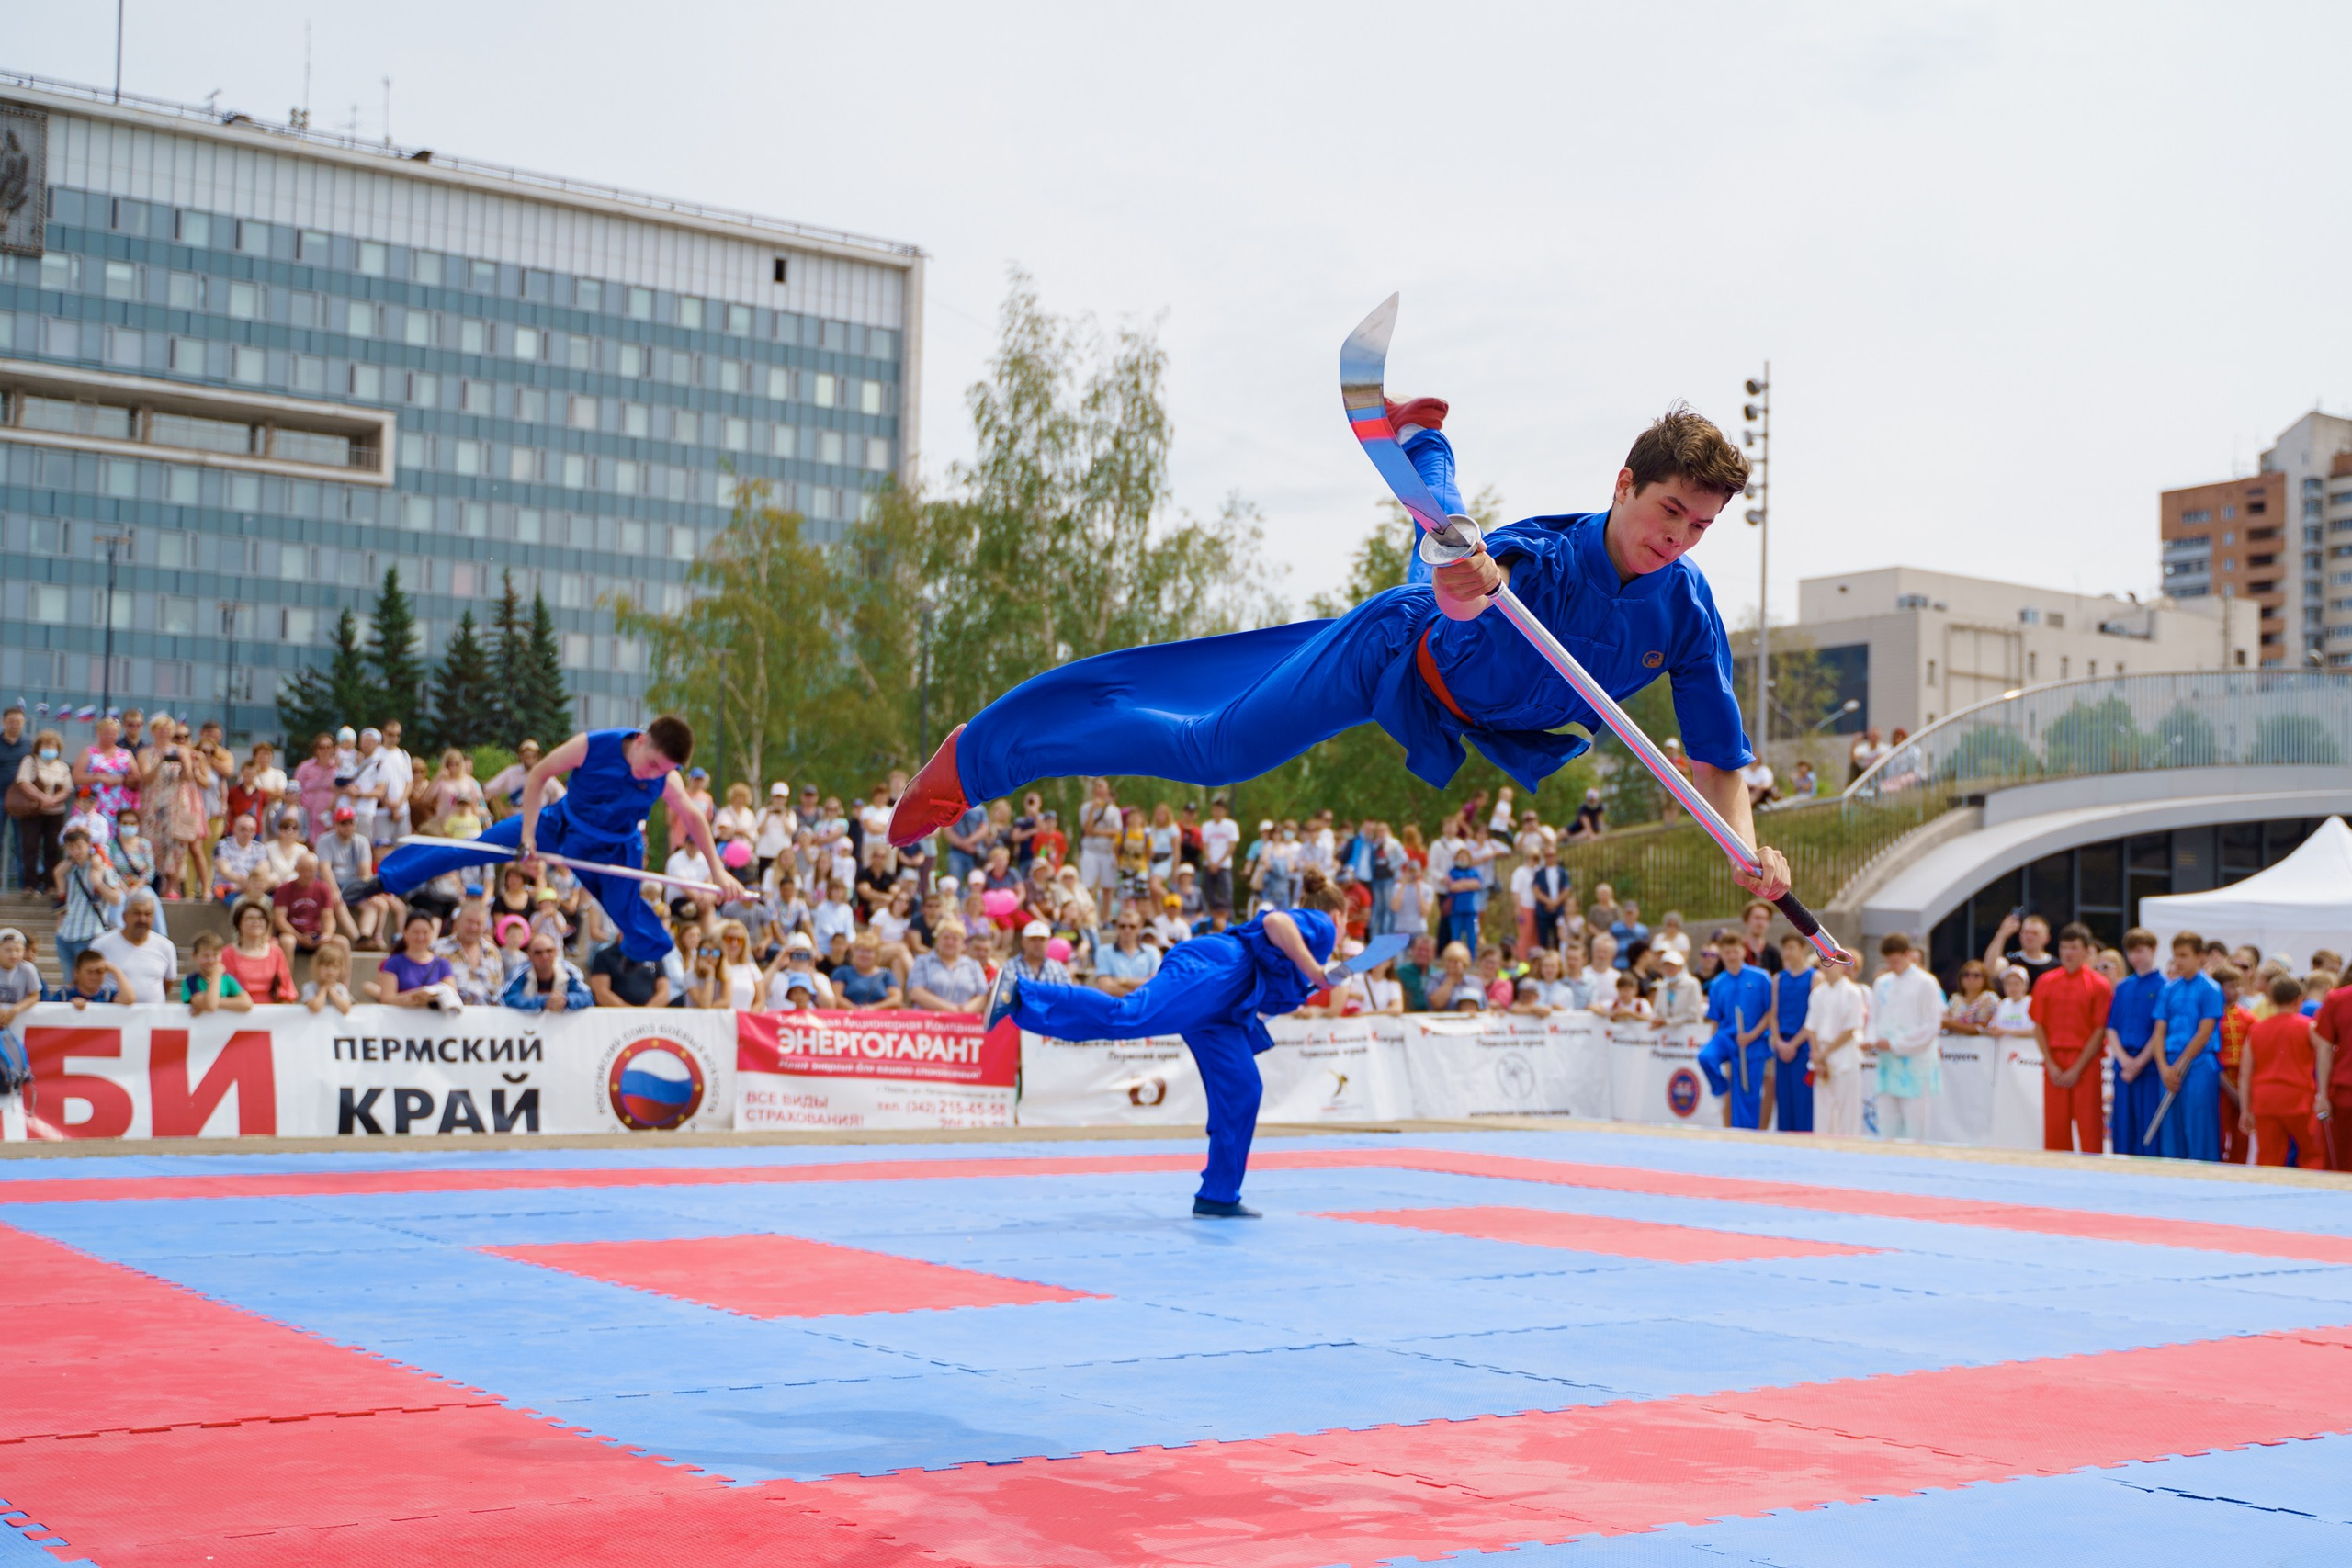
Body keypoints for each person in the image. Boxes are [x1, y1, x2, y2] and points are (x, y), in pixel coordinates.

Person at [892, 409, 1792, 909]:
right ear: (1624, 485)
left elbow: (1718, 761)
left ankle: (1425, 441)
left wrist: (1745, 853)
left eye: (1701, 527)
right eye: (1668, 511)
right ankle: (983, 755)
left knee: (1444, 552)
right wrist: (1461, 576)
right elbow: (1452, 610)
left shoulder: (1687, 610)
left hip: (1475, 705)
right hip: (1399, 654)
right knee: (1220, 751)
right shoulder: (1546, 558)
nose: (1678, 539)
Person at [983, 867, 1350, 1217]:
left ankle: (1219, 1195)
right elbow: (1274, 922)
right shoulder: (1321, 928)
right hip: (1218, 967)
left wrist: (1311, 981)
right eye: (1346, 922)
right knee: (1129, 1015)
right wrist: (1316, 971)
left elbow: (1265, 1001)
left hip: (1226, 1009)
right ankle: (1021, 992)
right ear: (1338, 915)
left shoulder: (1308, 964)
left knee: (1243, 1089)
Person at [364, 717, 740, 971]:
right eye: (653, 764)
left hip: (613, 847)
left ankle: (630, 962)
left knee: (634, 919)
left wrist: (719, 871)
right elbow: (540, 775)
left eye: (664, 770)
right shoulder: (592, 746)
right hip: (561, 825)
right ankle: (387, 879)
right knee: (476, 848)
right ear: (641, 741)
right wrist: (527, 836)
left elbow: (693, 819)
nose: (654, 775)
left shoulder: (667, 778)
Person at [2242, 972, 2333, 1168]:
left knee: (2268, 1158)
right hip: (2298, 1098)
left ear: (2271, 999)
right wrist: (2324, 1093)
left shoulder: (2256, 1029)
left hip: (2265, 1099)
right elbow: (2326, 1054)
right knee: (2312, 1154)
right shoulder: (2308, 1026)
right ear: (2299, 1000)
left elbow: (2245, 1072)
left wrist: (2245, 1109)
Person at [2148, 931, 2225, 1161]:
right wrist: (2163, 1067)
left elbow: (2204, 1033)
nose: (2179, 961)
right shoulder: (2168, 989)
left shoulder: (2210, 989)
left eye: (2184, 955)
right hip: (2170, 1063)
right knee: (2171, 1132)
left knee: (2199, 1128)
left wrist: (2181, 1065)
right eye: (2176, 956)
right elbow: (2159, 1031)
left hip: (2199, 1064)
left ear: (2200, 956)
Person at [1870, 932, 1944, 1141]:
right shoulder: (1882, 983)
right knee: (1887, 1125)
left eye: (1895, 960)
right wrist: (1871, 1039)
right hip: (1887, 1065)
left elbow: (1931, 1026)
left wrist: (1895, 1044)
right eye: (1888, 961)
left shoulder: (1926, 983)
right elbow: (1873, 1019)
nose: (1892, 965)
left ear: (1908, 955)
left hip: (1915, 1064)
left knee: (1915, 1127)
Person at [1698, 927, 1774, 1127]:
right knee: (1705, 1056)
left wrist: (1752, 1035)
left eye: (1735, 951)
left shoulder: (1760, 978)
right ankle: (1720, 1089)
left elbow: (1770, 1012)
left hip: (1753, 1042)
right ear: (1721, 954)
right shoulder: (1717, 984)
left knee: (1747, 1092)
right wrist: (1713, 1041)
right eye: (1727, 952)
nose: (1731, 956)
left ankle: (1746, 1134)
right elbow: (1715, 1018)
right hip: (1727, 1038)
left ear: (1743, 951)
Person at [2106, 928, 2167, 1158]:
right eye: (2131, 952)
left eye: (2140, 951)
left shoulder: (2164, 986)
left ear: (2153, 950)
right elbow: (2111, 1026)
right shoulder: (2123, 987)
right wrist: (2123, 1060)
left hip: (2149, 1068)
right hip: (2123, 1066)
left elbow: (2159, 1031)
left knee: (2147, 1127)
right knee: (2122, 1126)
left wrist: (2139, 1062)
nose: (2135, 957)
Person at [1805, 953, 1871, 1136]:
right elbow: (1811, 1027)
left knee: (1847, 1112)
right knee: (1823, 1110)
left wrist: (1823, 1053)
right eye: (1824, 964)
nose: (1828, 968)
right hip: (1822, 1056)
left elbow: (1850, 1029)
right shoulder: (1818, 993)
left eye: (1832, 964)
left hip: (1845, 1055)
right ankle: (1822, 1150)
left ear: (1842, 966)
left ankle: (1848, 1151)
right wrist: (1817, 1055)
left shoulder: (1853, 992)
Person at [51, 825, 121, 977]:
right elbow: (58, 874)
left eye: (79, 846)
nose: (75, 851)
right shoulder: (69, 868)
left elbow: (116, 899)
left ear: (88, 845)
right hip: (66, 935)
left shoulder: (101, 867)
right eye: (71, 847)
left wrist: (98, 883)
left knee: (88, 983)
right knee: (70, 984)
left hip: (90, 935)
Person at [320, 807, 395, 948]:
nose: (347, 827)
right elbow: (325, 869)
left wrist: (369, 890)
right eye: (343, 823)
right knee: (339, 903)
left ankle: (365, 936)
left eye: (350, 822)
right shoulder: (325, 841)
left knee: (371, 904)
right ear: (335, 824)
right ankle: (357, 939)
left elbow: (365, 870)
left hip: (353, 884)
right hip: (334, 883)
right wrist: (334, 890)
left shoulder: (361, 841)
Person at [13, 727, 73, 893]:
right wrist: (42, 798)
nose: (49, 749)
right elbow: (24, 783)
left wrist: (53, 800)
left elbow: (67, 789)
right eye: (46, 745)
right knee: (30, 847)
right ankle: (30, 885)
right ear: (39, 746)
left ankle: (50, 884)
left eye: (53, 746)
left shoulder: (62, 766)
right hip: (33, 812)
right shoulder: (30, 761)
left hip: (55, 813)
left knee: (52, 849)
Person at [90, 891, 175, 1003]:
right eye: (137, 913)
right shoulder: (100, 945)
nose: (143, 919)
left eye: (148, 914)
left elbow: (168, 983)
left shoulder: (166, 946)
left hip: (153, 1018)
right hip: (112, 1017)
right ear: (124, 916)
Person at [1770, 932, 1817, 1133]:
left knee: (1803, 1100)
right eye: (1785, 948)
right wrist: (1779, 1042)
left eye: (1792, 947)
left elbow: (1815, 1017)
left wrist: (1794, 1044)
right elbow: (1773, 1013)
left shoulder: (1814, 978)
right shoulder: (1779, 979)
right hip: (1782, 1047)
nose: (1788, 952)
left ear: (1803, 949)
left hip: (1802, 1046)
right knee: (1784, 1098)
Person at [370, 910, 462, 1010]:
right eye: (415, 932)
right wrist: (417, 996)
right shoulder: (393, 962)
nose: (420, 937)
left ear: (432, 933)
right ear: (405, 933)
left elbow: (452, 995)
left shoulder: (442, 964)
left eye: (425, 932)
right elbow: (387, 998)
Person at [221, 898, 298, 1004]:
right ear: (239, 923)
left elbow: (286, 989)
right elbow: (223, 988)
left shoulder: (276, 952)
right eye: (250, 918)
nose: (256, 922)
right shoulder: (227, 953)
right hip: (237, 1010)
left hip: (270, 1012)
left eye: (261, 918)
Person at [907, 919, 988, 1012]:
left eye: (955, 939)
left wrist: (966, 1010)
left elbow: (983, 996)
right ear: (937, 940)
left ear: (962, 943)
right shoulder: (922, 961)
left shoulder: (973, 965)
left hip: (964, 1023)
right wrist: (951, 1009)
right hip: (929, 1023)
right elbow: (916, 993)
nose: (950, 942)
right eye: (946, 937)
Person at [503, 931, 594, 1012]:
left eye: (549, 951)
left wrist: (566, 1000)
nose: (545, 956)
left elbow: (588, 997)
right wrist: (543, 1001)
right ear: (529, 955)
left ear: (556, 952)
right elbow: (507, 998)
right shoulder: (519, 972)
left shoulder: (569, 971)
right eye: (538, 952)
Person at [1984, 911, 2061, 994]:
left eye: (2035, 933)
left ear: (2046, 938)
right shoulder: (2012, 960)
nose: (2029, 937)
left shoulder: (2056, 967)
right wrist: (2001, 935)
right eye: (2025, 932)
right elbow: (1989, 970)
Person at [181, 932, 254, 1014]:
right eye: (205, 956)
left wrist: (214, 1001)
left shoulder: (227, 979)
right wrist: (216, 975)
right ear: (195, 956)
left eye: (215, 955)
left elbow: (246, 1004)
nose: (211, 960)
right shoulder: (190, 981)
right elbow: (211, 1005)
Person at [761, 931, 835, 1010]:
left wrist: (814, 984)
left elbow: (831, 1007)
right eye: (796, 954)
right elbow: (759, 993)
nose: (800, 958)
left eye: (804, 955)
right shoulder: (776, 977)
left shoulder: (820, 978)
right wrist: (777, 963)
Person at [833, 931, 904, 1010]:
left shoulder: (886, 974)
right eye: (861, 950)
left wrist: (874, 1008)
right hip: (848, 1018)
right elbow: (836, 997)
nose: (865, 955)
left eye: (869, 951)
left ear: (877, 955)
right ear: (853, 952)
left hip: (880, 1019)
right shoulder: (842, 972)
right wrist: (856, 1010)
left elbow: (896, 1000)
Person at [52, 945, 129, 1009]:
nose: (94, 976)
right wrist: (69, 1007)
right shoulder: (63, 995)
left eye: (99, 972)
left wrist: (115, 970)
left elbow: (128, 999)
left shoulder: (108, 995)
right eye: (90, 972)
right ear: (77, 972)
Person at [300, 936, 358, 1016]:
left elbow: (345, 1009)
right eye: (326, 966)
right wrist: (323, 990)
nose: (330, 971)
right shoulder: (309, 987)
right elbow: (315, 1008)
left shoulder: (341, 988)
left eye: (335, 967)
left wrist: (331, 992)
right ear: (317, 967)